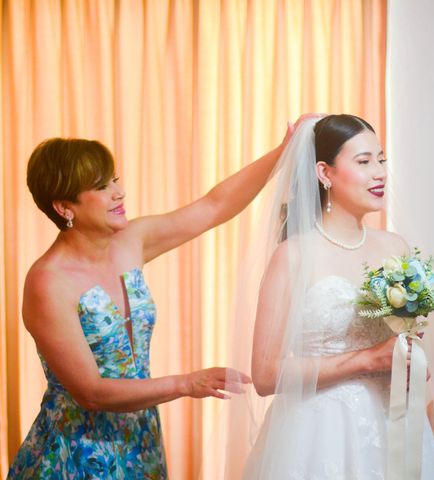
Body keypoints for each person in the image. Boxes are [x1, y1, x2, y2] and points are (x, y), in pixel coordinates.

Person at [7, 116, 311, 479]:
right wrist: (185, 383)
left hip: (140, 440)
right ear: (64, 207)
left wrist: (283, 151)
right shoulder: (47, 281)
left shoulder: (130, 241)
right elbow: (90, 392)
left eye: (115, 180)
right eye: (102, 187)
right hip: (74, 451)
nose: (119, 192)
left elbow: (214, 206)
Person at [240, 114, 434, 479]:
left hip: (393, 422)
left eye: (381, 159)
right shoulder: (293, 256)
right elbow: (265, 374)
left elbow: (406, 342)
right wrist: (368, 359)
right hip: (319, 433)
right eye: (364, 162)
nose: (380, 173)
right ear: (325, 173)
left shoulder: (394, 247)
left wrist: (410, 361)